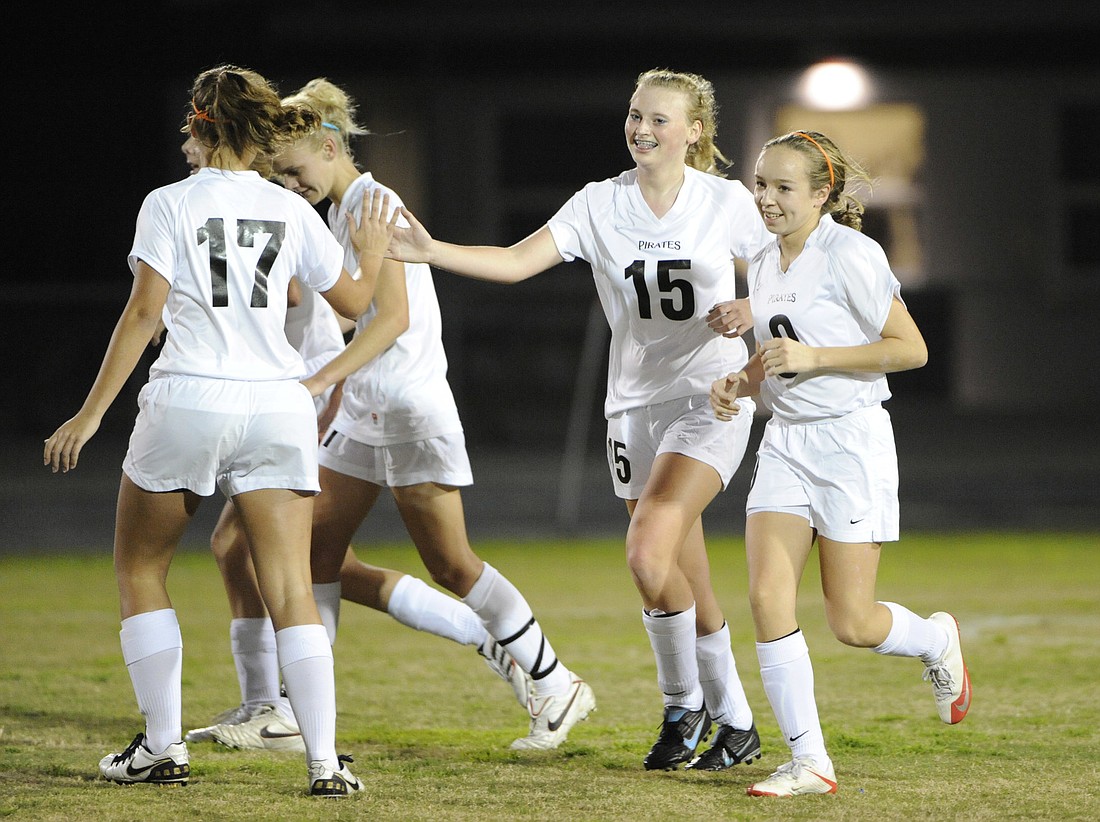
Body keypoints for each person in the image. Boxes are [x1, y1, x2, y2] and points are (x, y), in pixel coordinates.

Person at [386, 68, 772, 770]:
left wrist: (754, 307)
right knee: (679, 574)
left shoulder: (726, 203)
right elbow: (512, 262)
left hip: (708, 397)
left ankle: (682, 707)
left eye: (659, 119)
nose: (642, 129)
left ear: (694, 132)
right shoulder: (600, 204)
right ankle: (738, 724)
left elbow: (789, 274)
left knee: (647, 552)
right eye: (634, 115)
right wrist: (430, 250)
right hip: (631, 408)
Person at [42, 64, 397, 797]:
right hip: (275, 405)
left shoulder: (168, 203)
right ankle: (325, 764)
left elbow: (144, 314)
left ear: (201, 123)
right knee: (292, 586)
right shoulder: (292, 209)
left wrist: (92, 412)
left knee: (142, 570)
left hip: (191, 399)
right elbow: (357, 300)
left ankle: (164, 749)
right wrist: (368, 248)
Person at [177, 136, 530, 755]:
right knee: (297, 558)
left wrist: (313, 373)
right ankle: (278, 707)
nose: (186, 150)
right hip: (307, 391)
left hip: (314, 395)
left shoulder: (300, 204)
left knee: (268, 549)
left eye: (196, 141)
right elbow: (332, 303)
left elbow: (315, 299)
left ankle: (284, 709)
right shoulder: (310, 207)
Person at [268, 77, 586, 751]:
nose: (291, 185)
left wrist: (320, 379)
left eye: (294, 172)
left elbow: (392, 320)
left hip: (408, 408)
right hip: (366, 409)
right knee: (318, 549)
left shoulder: (373, 205)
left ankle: (556, 683)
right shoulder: (340, 208)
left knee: (452, 564)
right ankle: (300, 715)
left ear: (328, 146)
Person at [709, 130, 971, 798]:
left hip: (851, 443)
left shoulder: (851, 253)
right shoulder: (765, 262)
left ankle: (936, 640)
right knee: (767, 596)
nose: (765, 199)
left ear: (822, 194)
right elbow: (781, 352)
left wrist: (817, 361)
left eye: (783, 188)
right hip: (787, 442)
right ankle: (809, 761)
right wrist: (741, 382)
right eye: (760, 184)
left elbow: (910, 349)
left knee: (851, 623)